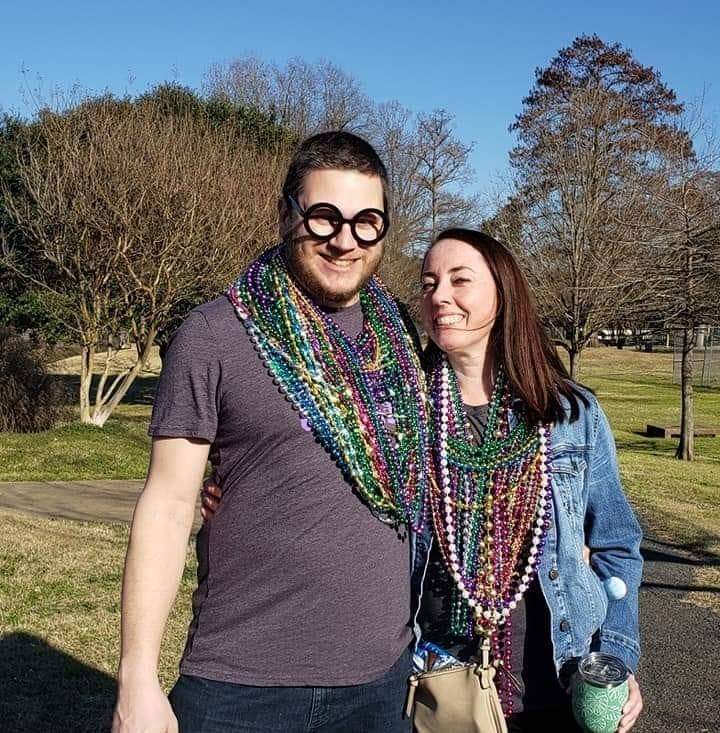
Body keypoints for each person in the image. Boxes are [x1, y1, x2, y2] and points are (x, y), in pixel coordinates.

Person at [204, 229, 646, 732]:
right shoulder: (399, 411)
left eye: (460, 280)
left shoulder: (568, 414)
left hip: (557, 681)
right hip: (435, 683)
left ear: (503, 293)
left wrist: (615, 656)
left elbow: (618, 544)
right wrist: (234, 491)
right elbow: (324, 473)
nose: (440, 296)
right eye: (429, 282)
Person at [112, 131, 433, 733]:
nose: (345, 240)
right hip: (242, 686)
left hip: (380, 680)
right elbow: (167, 503)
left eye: (368, 222)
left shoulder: (398, 338)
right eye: (323, 217)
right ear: (286, 214)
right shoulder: (214, 335)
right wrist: (137, 681)